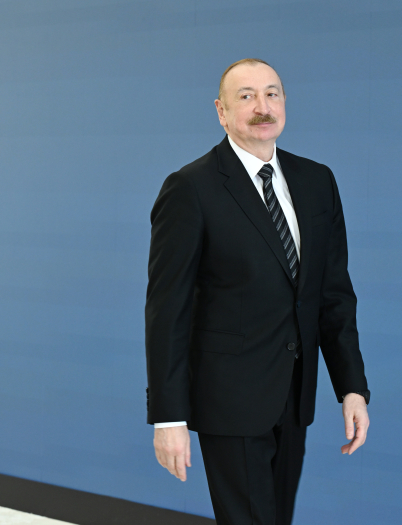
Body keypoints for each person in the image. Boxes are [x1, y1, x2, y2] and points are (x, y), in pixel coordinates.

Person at [145, 58, 370, 525]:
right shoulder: (191, 188)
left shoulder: (317, 181)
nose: (262, 107)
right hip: (228, 399)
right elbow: (167, 311)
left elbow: (333, 294)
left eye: (271, 94)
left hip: (294, 395)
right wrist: (168, 418)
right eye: (245, 96)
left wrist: (351, 387)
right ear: (221, 112)